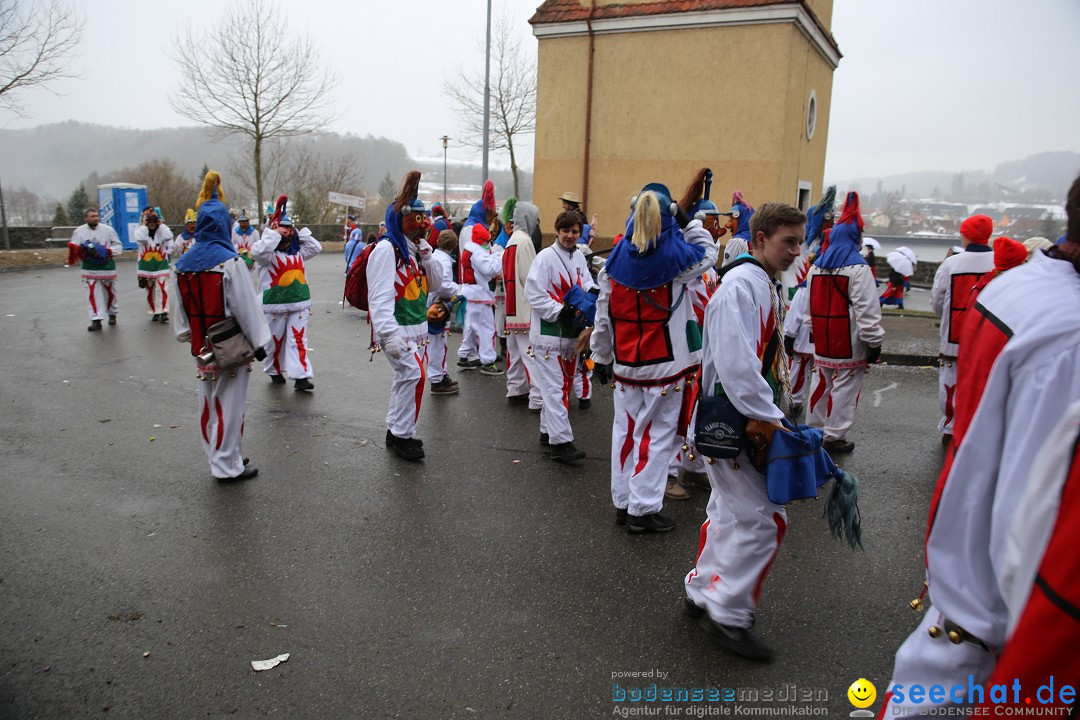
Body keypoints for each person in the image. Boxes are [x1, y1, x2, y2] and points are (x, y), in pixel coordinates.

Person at [879, 174, 1080, 715]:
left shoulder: (1011, 285)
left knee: (961, 400)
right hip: (992, 597)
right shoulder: (1066, 332)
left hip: (963, 560)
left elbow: (943, 299)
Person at [683, 202, 805, 661]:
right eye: (787, 242)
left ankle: (702, 590)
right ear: (759, 240)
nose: (796, 251)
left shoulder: (759, 282)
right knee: (765, 520)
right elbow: (737, 366)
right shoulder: (742, 286)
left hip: (734, 420)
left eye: (799, 241)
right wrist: (770, 419)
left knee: (729, 512)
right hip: (737, 424)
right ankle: (729, 611)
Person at [591, 183, 718, 532]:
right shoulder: (677, 263)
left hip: (625, 367)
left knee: (626, 435)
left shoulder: (611, 265)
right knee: (657, 439)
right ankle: (642, 509)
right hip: (664, 369)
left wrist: (600, 356)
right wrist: (688, 220)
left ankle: (623, 502)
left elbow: (603, 317)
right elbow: (709, 252)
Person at [171, 172, 271, 482]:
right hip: (230, 345)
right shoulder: (230, 262)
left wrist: (189, 335)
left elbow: (182, 316)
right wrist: (260, 343)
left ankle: (219, 455)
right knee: (230, 404)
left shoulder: (182, 264)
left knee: (208, 402)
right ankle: (227, 464)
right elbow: (246, 308)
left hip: (202, 345)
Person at [366, 171, 443, 461]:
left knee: (405, 378)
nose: (422, 224)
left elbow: (435, 284)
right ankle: (403, 436)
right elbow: (380, 296)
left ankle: (394, 430)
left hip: (416, 330)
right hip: (398, 330)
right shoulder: (387, 250)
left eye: (425, 219)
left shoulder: (413, 251)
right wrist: (388, 334)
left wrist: (428, 255)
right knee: (414, 375)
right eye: (417, 219)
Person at [803, 191, 884, 453]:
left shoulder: (816, 267)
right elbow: (867, 310)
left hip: (824, 337)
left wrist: (811, 329)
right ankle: (834, 435)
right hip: (849, 341)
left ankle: (814, 430)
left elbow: (809, 304)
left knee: (821, 381)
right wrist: (874, 343)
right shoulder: (859, 269)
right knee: (846, 388)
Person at [525, 210, 598, 463]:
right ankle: (561, 443)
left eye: (575, 232)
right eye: (565, 231)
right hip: (548, 336)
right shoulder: (545, 257)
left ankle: (547, 432)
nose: (570, 236)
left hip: (569, 335)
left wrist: (594, 295)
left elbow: (586, 282)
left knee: (560, 388)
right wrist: (562, 310)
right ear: (557, 231)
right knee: (556, 390)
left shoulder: (578, 255)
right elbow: (534, 294)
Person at [929, 214, 994, 439]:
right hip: (988, 336)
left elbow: (937, 300)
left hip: (954, 335)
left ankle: (951, 424)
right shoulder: (998, 263)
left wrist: (946, 316)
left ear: (965, 236)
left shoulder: (951, 263)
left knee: (950, 382)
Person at [251, 196, 323, 392]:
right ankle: (274, 370)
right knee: (274, 341)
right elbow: (255, 252)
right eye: (284, 228)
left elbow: (316, 248)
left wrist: (299, 233)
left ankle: (301, 376)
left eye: (290, 228)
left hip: (299, 304)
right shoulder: (267, 254)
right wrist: (273, 234)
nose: (288, 231)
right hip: (274, 305)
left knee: (298, 339)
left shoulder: (296, 251)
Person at [502, 201, 542, 409]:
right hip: (525, 307)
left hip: (512, 307)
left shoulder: (512, 241)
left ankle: (516, 389)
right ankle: (537, 397)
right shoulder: (525, 242)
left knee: (516, 353)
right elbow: (530, 278)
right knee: (530, 354)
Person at [457, 214, 503, 376]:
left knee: (471, 326)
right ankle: (488, 362)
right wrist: (498, 258)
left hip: (470, 294)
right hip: (480, 295)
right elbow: (490, 269)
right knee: (487, 329)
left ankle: (464, 355)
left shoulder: (470, 247)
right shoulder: (477, 251)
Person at [68, 208, 123, 331]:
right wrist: (85, 252)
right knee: (92, 292)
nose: (95, 218)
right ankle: (96, 319)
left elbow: (118, 245)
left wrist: (108, 251)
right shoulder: (79, 231)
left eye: (96, 216)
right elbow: (74, 248)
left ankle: (112, 313)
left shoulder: (108, 230)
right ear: (86, 218)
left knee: (110, 291)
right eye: (92, 216)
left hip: (107, 265)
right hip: (89, 267)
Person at [427, 229, 462, 395]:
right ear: (454, 245)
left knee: (436, 343)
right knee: (438, 344)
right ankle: (438, 379)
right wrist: (458, 288)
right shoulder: (445, 261)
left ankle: (440, 375)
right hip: (437, 307)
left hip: (430, 305)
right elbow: (443, 287)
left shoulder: (435, 256)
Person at [134, 208, 175, 323]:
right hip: (146, 267)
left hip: (161, 265)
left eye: (154, 222)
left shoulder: (162, 232)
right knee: (150, 290)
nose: (152, 225)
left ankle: (163, 311)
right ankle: (154, 311)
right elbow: (140, 238)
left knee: (162, 288)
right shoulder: (141, 231)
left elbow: (169, 236)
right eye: (150, 222)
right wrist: (144, 224)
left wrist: (160, 224)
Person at [721, 190, 755, 266]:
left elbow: (726, 268)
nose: (728, 225)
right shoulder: (758, 242)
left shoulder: (736, 242)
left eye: (731, 219)